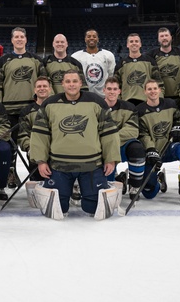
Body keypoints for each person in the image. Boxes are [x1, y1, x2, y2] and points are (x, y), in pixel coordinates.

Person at [28, 71, 121, 219]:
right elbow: (40, 134)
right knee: (58, 208)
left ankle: (87, 189)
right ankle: (66, 189)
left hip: (91, 164)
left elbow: (108, 132)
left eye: (75, 81)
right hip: (59, 165)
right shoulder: (49, 104)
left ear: (81, 83)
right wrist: (41, 160)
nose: (71, 84)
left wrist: (111, 159)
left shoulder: (96, 102)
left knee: (93, 208)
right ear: (62, 84)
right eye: (68, 81)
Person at [135, 79, 180, 202]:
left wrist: (178, 127)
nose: (153, 91)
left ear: (160, 90)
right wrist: (151, 149)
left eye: (155, 88)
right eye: (149, 89)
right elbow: (142, 134)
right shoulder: (139, 110)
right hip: (151, 152)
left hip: (169, 148)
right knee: (149, 192)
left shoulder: (170, 104)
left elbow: (178, 119)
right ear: (144, 92)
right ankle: (159, 179)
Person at [101, 76, 146, 197]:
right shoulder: (96, 106)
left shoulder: (129, 107)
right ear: (103, 90)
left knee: (136, 148)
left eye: (115, 89)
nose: (112, 92)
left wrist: (109, 137)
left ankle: (135, 186)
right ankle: (117, 178)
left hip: (121, 146)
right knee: (107, 184)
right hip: (102, 149)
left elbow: (132, 131)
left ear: (119, 91)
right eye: (109, 89)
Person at [0, 27, 45, 130]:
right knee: (12, 142)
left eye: (22, 37)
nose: (19, 39)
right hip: (9, 110)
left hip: (31, 108)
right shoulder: (3, 61)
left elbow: (45, 83)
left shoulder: (36, 60)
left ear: (26, 39)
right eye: (16, 37)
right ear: (12, 40)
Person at [17, 75, 54, 178]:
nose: (42, 88)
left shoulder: (58, 108)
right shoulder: (27, 111)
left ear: (50, 89)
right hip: (35, 152)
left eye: (45, 86)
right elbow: (22, 135)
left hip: (56, 151)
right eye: (39, 86)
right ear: (34, 90)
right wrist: (31, 149)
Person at [114, 33, 161, 106]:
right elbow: (116, 85)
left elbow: (158, 82)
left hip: (146, 102)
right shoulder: (121, 64)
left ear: (140, 44)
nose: (134, 43)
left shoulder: (150, 61)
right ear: (127, 45)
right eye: (131, 41)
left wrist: (158, 99)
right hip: (127, 103)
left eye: (136, 41)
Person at [147, 27, 180, 102]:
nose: (164, 38)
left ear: (171, 37)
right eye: (161, 36)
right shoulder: (151, 55)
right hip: (161, 98)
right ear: (158, 39)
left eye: (166, 35)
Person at [70, 28, 116, 98]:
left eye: (94, 36)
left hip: (103, 95)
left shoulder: (108, 55)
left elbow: (111, 75)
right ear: (85, 39)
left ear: (98, 39)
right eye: (89, 36)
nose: (91, 38)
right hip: (84, 95)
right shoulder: (75, 56)